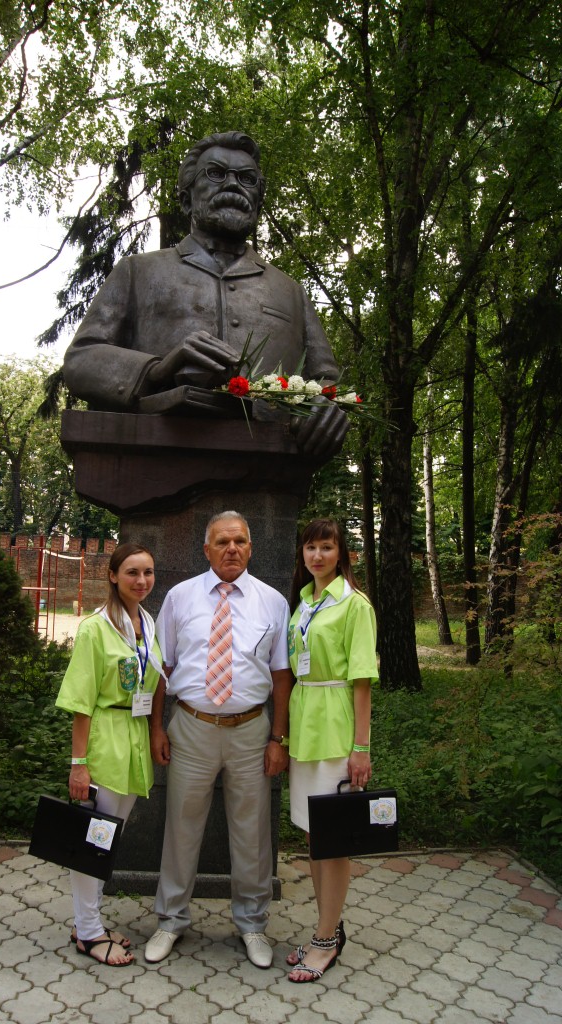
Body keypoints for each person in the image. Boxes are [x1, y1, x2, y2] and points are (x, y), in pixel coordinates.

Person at [63, 131, 349, 461]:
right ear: (186, 199)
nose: (233, 185)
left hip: (270, 465)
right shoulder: (137, 272)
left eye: (247, 179)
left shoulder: (291, 291)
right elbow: (81, 361)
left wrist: (324, 409)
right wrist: (156, 370)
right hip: (158, 458)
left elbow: (327, 383)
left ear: (258, 201)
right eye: (216, 174)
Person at [146, 511, 292, 968]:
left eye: (240, 541)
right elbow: (162, 669)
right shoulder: (180, 597)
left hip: (251, 731)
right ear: (206, 549)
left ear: (251, 548)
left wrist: (279, 737)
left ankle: (253, 924)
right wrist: (156, 727)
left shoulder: (273, 602)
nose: (232, 549)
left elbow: (282, 675)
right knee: (181, 828)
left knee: (252, 833)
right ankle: (171, 919)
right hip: (191, 728)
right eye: (223, 542)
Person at [55, 543, 163, 967]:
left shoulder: (147, 623)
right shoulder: (95, 629)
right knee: (93, 839)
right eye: (132, 572)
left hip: (133, 737)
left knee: (107, 839)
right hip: (105, 738)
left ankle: (90, 922)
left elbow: (155, 681)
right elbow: (81, 703)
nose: (141, 580)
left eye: (148, 572)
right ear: (113, 576)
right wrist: (79, 764)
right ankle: (88, 932)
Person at [285, 518, 377, 983]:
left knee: (333, 838)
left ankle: (325, 941)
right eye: (310, 547)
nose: (317, 555)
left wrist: (361, 747)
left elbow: (362, 681)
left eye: (326, 547)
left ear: (342, 554)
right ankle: (328, 929)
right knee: (313, 835)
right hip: (304, 726)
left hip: (336, 728)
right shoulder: (304, 601)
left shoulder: (354, 604)